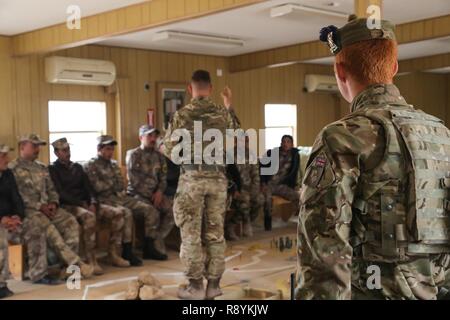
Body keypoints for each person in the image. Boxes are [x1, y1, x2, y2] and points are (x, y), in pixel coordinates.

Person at [296, 15, 450, 300]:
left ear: (340, 71)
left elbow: (324, 255)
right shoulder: (441, 133)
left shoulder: (341, 137)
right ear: (393, 67)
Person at [162, 70, 240, 300]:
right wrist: (228, 104)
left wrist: (187, 157)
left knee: (191, 235)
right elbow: (235, 136)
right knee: (215, 233)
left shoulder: (182, 114)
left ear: (190, 88)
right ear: (211, 88)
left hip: (192, 180)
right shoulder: (221, 113)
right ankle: (214, 285)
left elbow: (168, 149)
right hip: (217, 180)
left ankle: (195, 287)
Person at [9, 134, 94, 284]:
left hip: (48, 208)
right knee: (47, 227)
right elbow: (16, 196)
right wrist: (39, 206)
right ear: (22, 147)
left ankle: (66, 269)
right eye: (34, 146)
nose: (37, 150)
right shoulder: (12, 169)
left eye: (38, 146)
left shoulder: (41, 167)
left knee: (70, 221)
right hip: (28, 211)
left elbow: (52, 190)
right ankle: (76, 264)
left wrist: (53, 203)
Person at [49, 138, 130, 273]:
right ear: (56, 153)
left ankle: (114, 253)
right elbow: (60, 194)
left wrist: (92, 201)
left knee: (118, 213)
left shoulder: (77, 167)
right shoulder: (53, 169)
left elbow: (89, 188)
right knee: (89, 217)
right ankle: (91, 259)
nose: (67, 153)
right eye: (64, 150)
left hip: (86, 203)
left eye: (68, 149)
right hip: (69, 205)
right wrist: (82, 204)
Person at [84, 135, 165, 266]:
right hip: (104, 200)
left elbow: (120, 184)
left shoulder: (114, 164)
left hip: (120, 197)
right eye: (108, 149)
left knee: (149, 210)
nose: (110, 152)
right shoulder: (91, 165)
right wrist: (111, 184)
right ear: (99, 149)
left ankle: (149, 246)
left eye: (112, 149)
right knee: (126, 213)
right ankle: (126, 251)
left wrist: (109, 184)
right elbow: (97, 187)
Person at [126, 125, 175, 255]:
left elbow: (163, 178)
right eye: (149, 136)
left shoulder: (159, 156)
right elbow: (134, 181)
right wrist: (151, 196)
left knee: (174, 210)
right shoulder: (133, 154)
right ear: (141, 137)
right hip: (137, 195)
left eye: (155, 136)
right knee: (152, 212)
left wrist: (159, 192)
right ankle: (149, 247)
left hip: (156, 194)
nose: (153, 139)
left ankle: (157, 239)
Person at [226, 136, 264, 240]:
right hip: (235, 189)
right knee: (244, 201)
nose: (242, 143)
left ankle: (249, 221)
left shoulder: (251, 155)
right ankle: (231, 226)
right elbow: (227, 175)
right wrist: (233, 190)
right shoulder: (228, 155)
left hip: (249, 188)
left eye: (244, 141)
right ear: (235, 141)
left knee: (260, 199)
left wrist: (255, 190)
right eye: (239, 141)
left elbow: (255, 175)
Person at [0, 144, 24, 298]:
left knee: (26, 230)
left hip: (8, 218)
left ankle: (16, 274)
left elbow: (16, 197)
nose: (7, 159)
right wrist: (1, 219)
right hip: (1, 219)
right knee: (2, 241)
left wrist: (17, 216)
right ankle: (1, 284)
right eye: (3, 156)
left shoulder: (8, 174)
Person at [261, 135, 300, 231]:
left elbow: (294, 172)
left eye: (288, 142)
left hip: (283, 185)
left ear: (292, 144)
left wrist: (294, 185)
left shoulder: (295, 155)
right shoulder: (272, 153)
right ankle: (267, 224)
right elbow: (262, 168)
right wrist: (263, 184)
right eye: (284, 142)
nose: (286, 144)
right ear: (281, 143)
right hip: (270, 184)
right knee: (267, 199)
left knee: (298, 197)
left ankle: (299, 220)